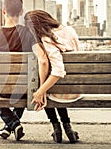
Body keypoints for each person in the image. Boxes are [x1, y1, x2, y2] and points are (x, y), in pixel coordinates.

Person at [0, 0, 49, 141]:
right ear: (21, 12)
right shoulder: (28, 34)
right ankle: (12, 124)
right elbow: (43, 60)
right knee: (24, 85)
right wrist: (41, 89)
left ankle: (12, 124)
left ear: (4, 12)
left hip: (1, 90)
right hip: (23, 89)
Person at [24, 9, 81, 143]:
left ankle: (57, 128)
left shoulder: (47, 39)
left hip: (60, 90)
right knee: (51, 88)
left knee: (46, 90)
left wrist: (40, 91)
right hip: (75, 87)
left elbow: (57, 70)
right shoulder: (70, 30)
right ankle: (67, 127)